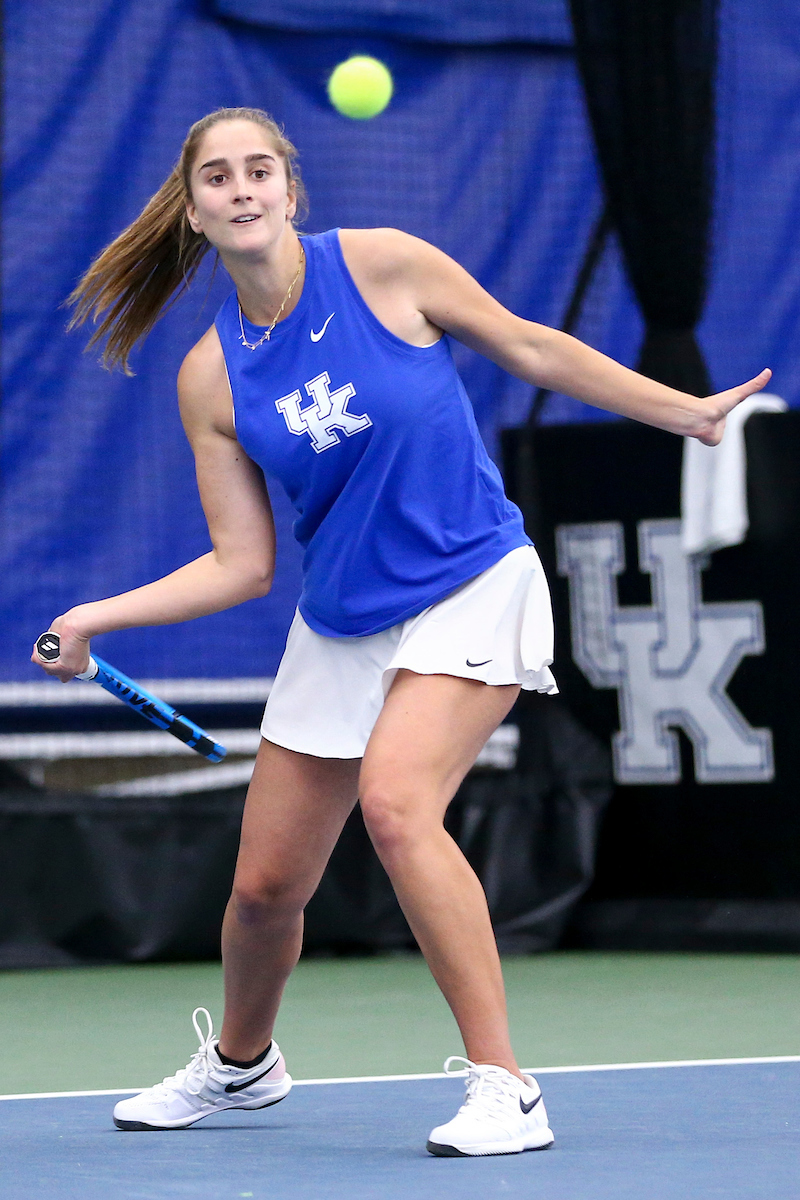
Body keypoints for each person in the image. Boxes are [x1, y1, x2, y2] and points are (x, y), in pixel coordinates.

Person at [33, 106, 770, 1157]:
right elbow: (241, 563)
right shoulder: (211, 377)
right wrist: (95, 616)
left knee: (393, 804)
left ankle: (504, 1087)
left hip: (471, 579)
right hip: (341, 620)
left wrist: (682, 412)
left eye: (258, 171)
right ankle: (243, 1069)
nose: (240, 190)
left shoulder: (383, 266)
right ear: (192, 212)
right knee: (261, 889)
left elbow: (527, 346)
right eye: (216, 179)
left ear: (289, 188)